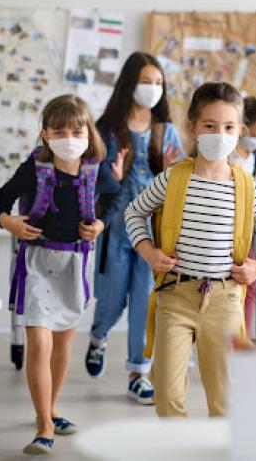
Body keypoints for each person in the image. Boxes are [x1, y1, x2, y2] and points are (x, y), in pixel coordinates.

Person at [125, 82, 256, 417]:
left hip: (225, 301)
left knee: (224, 399)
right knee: (167, 394)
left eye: (228, 127)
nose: (219, 135)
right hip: (176, 296)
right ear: (193, 128)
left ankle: (219, 444)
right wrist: (149, 252)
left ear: (240, 131)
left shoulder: (246, 187)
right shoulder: (173, 179)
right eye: (210, 126)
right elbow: (134, 213)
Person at [0, 94, 121, 455]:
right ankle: (44, 426)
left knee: (63, 345)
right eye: (59, 131)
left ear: (89, 133)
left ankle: (50, 408)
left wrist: (100, 224)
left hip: (74, 264)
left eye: (76, 131)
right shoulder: (35, 167)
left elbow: (116, 199)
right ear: (46, 134)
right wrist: (8, 222)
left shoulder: (96, 169)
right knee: (39, 342)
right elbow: (2, 199)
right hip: (36, 262)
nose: (68, 138)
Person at [85, 52, 184, 405]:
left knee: (145, 303)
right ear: (129, 83)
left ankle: (138, 374)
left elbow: (180, 183)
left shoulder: (166, 131)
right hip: (115, 229)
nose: (152, 89)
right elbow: (90, 180)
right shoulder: (107, 129)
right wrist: (109, 178)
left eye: (158, 83)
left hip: (153, 234)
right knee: (112, 300)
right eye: (145, 82)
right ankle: (98, 337)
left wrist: (171, 172)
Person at [229, 96, 256, 338]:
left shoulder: (253, 156)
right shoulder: (227, 154)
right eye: (254, 134)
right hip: (227, 230)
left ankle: (242, 337)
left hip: (247, 228)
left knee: (251, 285)